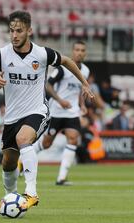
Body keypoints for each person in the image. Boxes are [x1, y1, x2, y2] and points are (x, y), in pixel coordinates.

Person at [0, 11, 94, 214]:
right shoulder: (2, 54)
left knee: (24, 139)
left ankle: (31, 193)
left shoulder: (41, 54)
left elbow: (67, 61)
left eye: (19, 30)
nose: (14, 35)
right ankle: (9, 198)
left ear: (29, 31)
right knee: (8, 162)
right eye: (11, 31)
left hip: (37, 110)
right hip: (12, 116)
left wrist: (84, 83)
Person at [31, 40, 90, 186]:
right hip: (56, 111)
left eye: (82, 50)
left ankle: (61, 178)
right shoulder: (63, 68)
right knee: (46, 144)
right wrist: (60, 100)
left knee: (73, 139)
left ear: (85, 53)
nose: (80, 53)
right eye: (77, 50)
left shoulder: (86, 71)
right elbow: (48, 85)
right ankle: (22, 161)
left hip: (72, 112)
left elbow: (79, 89)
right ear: (72, 51)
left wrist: (82, 105)